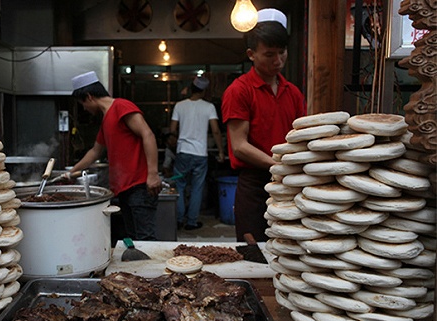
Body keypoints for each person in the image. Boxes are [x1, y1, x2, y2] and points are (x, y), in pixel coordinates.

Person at [221, 9, 306, 242]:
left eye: (282, 52)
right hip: (255, 184)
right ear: (251, 54)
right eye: (269, 54)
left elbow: (301, 138)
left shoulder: (294, 92)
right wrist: (278, 165)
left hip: (290, 183)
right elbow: (239, 146)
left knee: (291, 250)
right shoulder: (239, 90)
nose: (278, 61)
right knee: (254, 254)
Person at [69, 71, 162, 241]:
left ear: (89, 97)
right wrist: (70, 173)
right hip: (124, 189)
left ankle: (148, 269)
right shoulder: (106, 118)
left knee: (146, 240)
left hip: (140, 186)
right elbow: (95, 152)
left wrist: (153, 173)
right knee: (134, 239)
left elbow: (147, 135)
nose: (84, 109)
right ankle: (138, 268)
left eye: (82, 104)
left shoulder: (121, 106)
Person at [170, 76, 225, 230]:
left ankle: (179, 220)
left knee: (179, 186)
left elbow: (173, 129)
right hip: (200, 153)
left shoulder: (179, 106)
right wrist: (221, 151)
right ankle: (192, 222)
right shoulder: (209, 107)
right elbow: (215, 130)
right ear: (203, 92)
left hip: (183, 152)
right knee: (197, 187)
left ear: (191, 89)